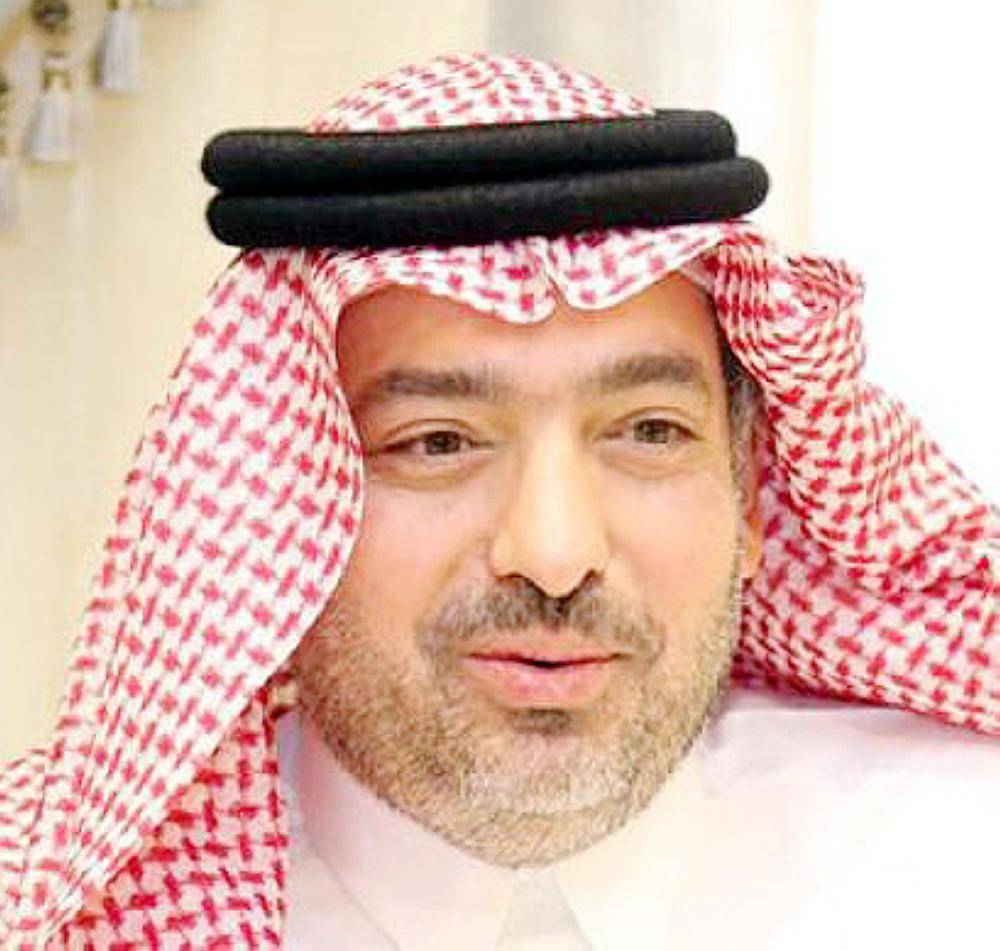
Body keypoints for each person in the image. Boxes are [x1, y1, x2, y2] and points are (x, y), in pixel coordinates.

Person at [1, 51, 997, 950]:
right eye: (436, 443)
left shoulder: (959, 865)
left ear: (747, 500)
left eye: (649, 432)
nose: (555, 554)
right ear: (271, 521)